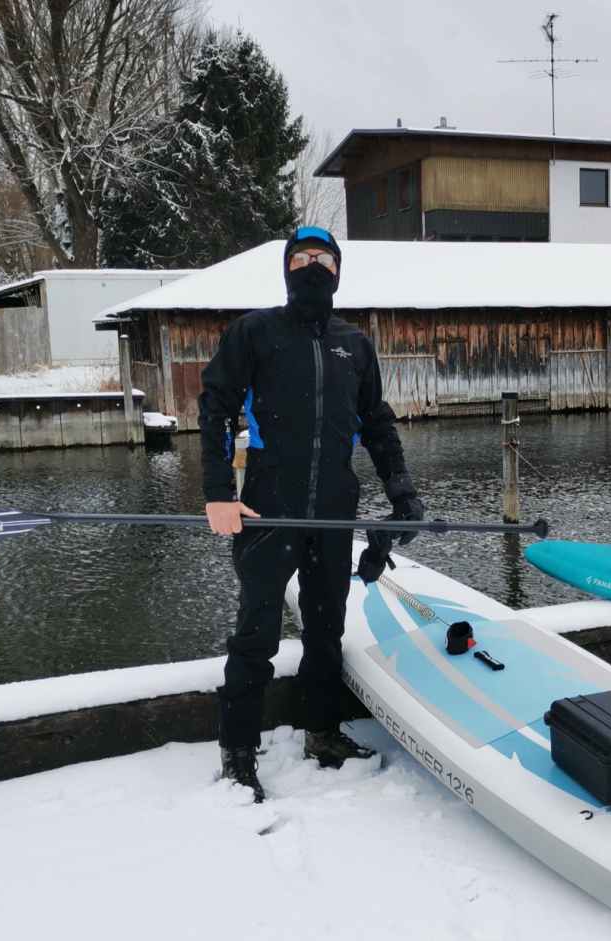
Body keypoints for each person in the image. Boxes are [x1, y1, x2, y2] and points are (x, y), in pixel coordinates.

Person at [199, 226, 423, 802]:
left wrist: (401, 490)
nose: (313, 266)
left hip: (333, 510)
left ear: (338, 272)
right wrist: (219, 491)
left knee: (327, 630)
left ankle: (322, 734)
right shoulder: (255, 332)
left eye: (323, 258)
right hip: (268, 507)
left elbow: (376, 421)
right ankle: (238, 751)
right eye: (302, 258)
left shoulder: (355, 344)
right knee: (257, 632)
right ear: (287, 270)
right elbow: (217, 408)